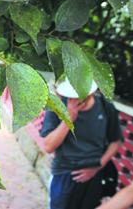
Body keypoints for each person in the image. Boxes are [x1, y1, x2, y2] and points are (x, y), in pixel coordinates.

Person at [40, 78, 122, 209]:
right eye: (70, 96)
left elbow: (115, 142)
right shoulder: (57, 106)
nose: (74, 99)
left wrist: (97, 167)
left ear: (90, 92)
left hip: (95, 176)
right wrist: (69, 118)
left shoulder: (106, 108)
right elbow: (48, 147)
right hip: (65, 174)